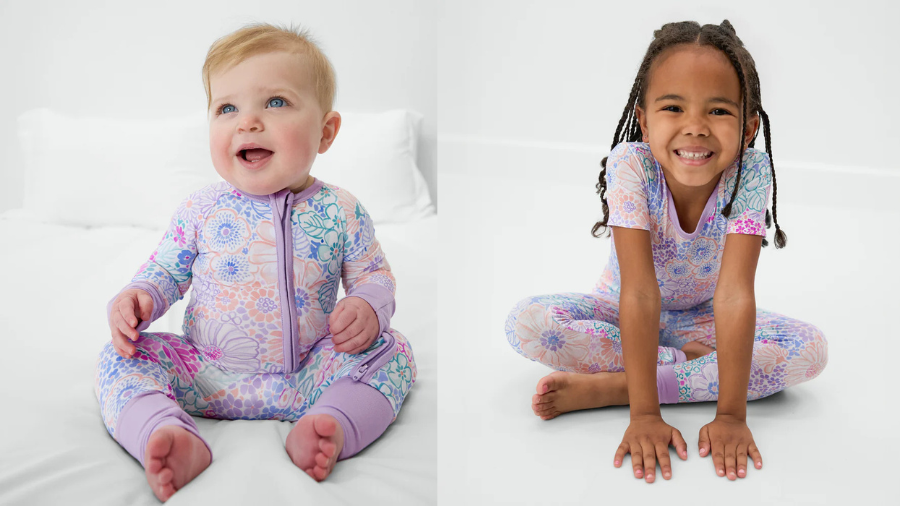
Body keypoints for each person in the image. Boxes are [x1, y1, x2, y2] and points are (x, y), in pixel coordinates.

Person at [94, 22, 416, 501]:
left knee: (393, 350)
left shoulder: (341, 210)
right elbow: (165, 271)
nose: (247, 122)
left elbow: (374, 276)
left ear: (326, 132)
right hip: (205, 373)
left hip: (310, 372)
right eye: (227, 108)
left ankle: (332, 424)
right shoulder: (202, 209)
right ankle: (164, 431)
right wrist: (139, 297)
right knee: (121, 357)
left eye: (276, 102)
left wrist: (369, 306)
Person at [505, 20, 827, 484]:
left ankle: (617, 387)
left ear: (749, 127)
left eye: (718, 111)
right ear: (644, 120)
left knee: (810, 351)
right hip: (625, 309)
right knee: (529, 323)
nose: (695, 127)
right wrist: (644, 416)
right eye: (673, 107)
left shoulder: (751, 173)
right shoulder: (631, 166)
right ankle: (681, 367)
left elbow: (734, 294)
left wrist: (731, 416)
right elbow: (638, 293)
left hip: (705, 318)